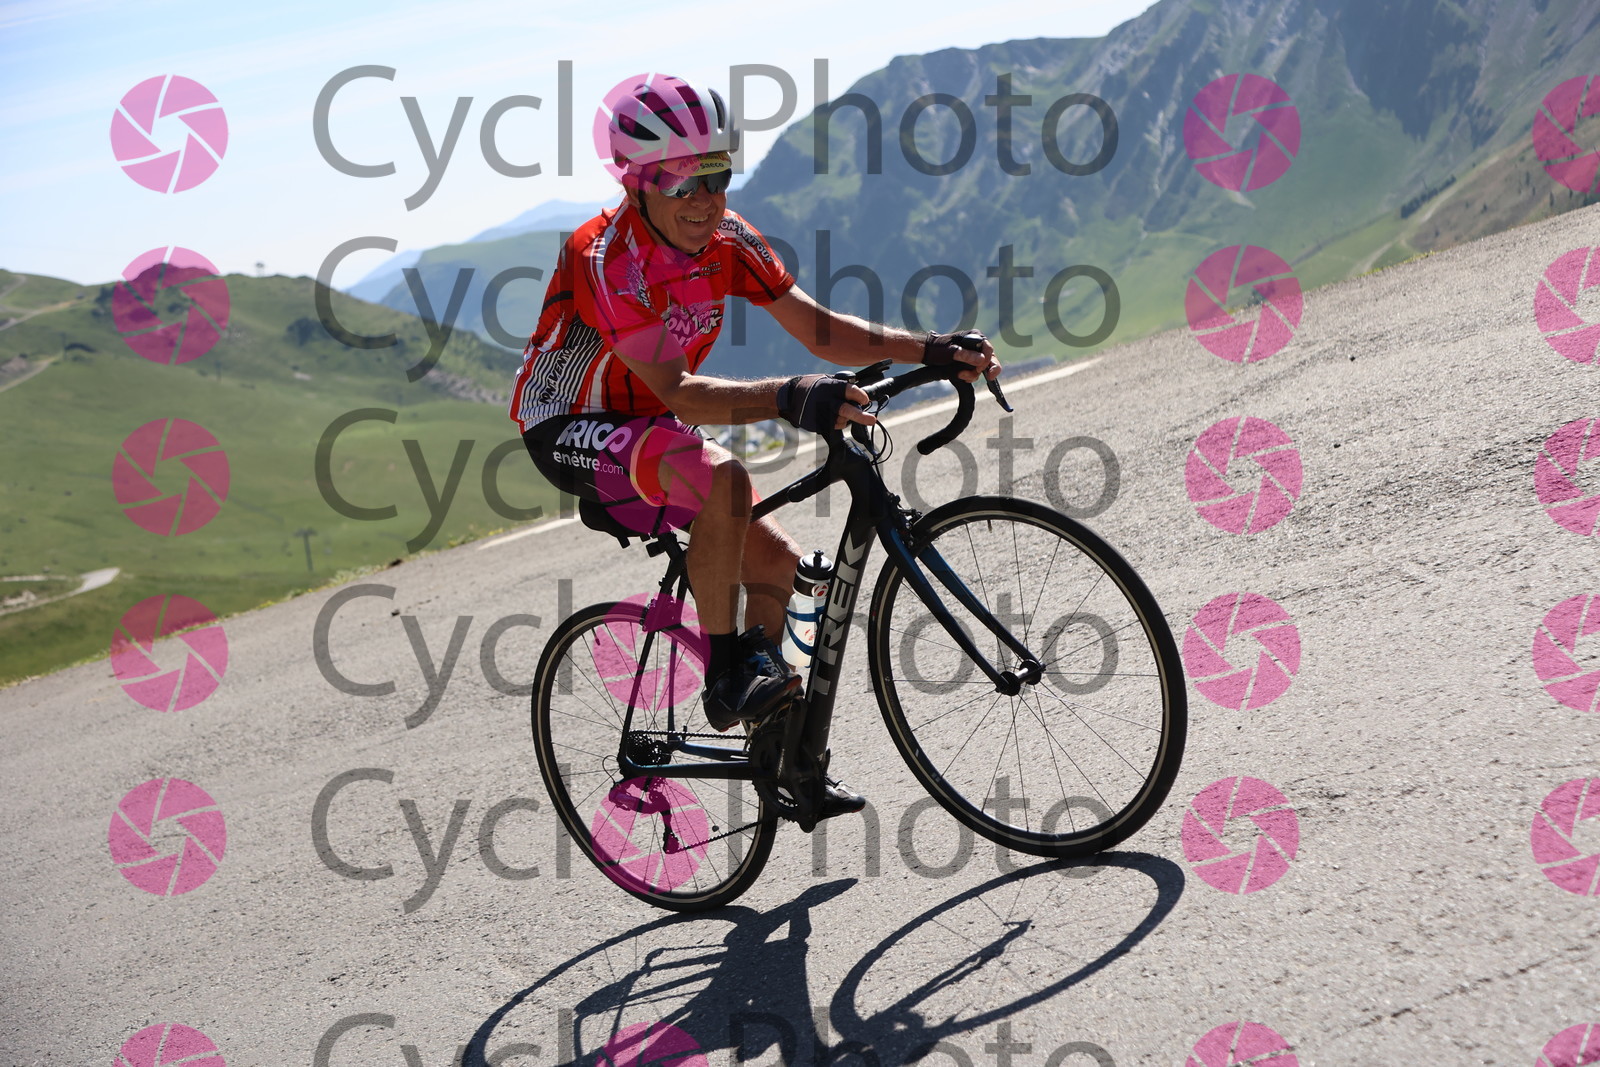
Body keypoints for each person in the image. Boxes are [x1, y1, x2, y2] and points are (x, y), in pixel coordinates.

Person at [512, 75, 1000, 816]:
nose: (705, 198)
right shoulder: (607, 257)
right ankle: (725, 677)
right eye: (681, 180)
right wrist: (790, 395)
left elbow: (818, 328)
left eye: (717, 174)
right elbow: (678, 392)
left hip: (648, 420)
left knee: (778, 564)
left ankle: (780, 761)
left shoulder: (728, 241)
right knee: (725, 481)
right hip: (567, 422)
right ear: (636, 182)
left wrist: (927, 349)